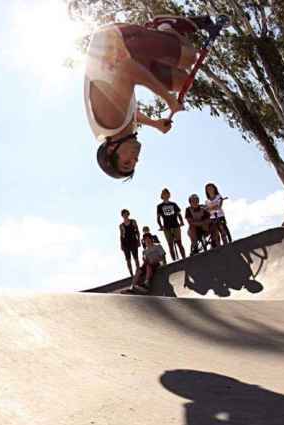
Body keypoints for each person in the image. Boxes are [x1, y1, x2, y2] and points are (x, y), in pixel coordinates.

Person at [85, 16, 221, 179]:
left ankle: (165, 26)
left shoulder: (111, 120)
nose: (135, 160)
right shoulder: (115, 131)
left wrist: (168, 99)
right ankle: (165, 39)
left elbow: (127, 69)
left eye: (127, 162)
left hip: (117, 40)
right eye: (135, 164)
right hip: (126, 53)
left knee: (189, 57)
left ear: (110, 150)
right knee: (183, 81)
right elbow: (131, 114)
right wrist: (154, 123)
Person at [156, 188, 186, 261]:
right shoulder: (159, 206)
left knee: (179, 243)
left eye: (167, 193)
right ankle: (174, 261)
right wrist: (161, 226)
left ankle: (185, 258)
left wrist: (181, 222)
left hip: (175, 225)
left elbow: (179, 214)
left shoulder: (173, 204)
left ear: (169, 195)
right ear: (162, 196)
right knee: (170, 244)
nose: (165, 195)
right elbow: (158, 218)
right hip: (166, 226)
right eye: (164, 194)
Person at [204, 182, 231, 246]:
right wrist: (213, 207)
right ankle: (219, 248)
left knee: (223, 232)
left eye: (211, 188)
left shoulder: (219, 196)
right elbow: (208, 210)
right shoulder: (207, 201)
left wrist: (210, 208)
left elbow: (219, 207)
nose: (210, 190)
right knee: (216, 234)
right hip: (212, 218)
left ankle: (226, 245)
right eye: (208, 189)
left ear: (214, 189)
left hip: (220, 216)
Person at [119, 209, 141, 276]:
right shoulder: (121, 225)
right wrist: (121, 245)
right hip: (126, 243)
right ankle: (131, 274)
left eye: (126, 213)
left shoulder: (133, 221)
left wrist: (138, 240)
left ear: (128, 214)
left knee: (136, 258)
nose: (125, 215)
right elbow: (121, 235)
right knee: (128, 260)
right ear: (122, 215)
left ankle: (138, 271)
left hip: (133, 241)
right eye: (124, 214)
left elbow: (137, 231)